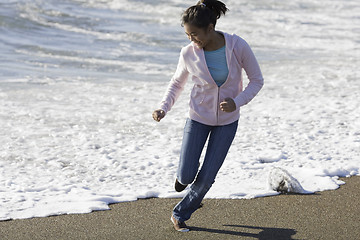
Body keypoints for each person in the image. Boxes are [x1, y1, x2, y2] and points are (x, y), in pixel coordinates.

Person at [152, 0, 264, 232]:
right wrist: (164, 107)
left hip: (227, 123)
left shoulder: (237, 45)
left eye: (195, 34)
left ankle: (180, 214)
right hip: (197, 118)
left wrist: (237, 102)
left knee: (206, 177)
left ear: (210, 28)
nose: (192, 40)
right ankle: (183, 179)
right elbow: (176, 84)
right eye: (188, 35)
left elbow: (257, 80)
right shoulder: (188, 53)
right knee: (186, 174)